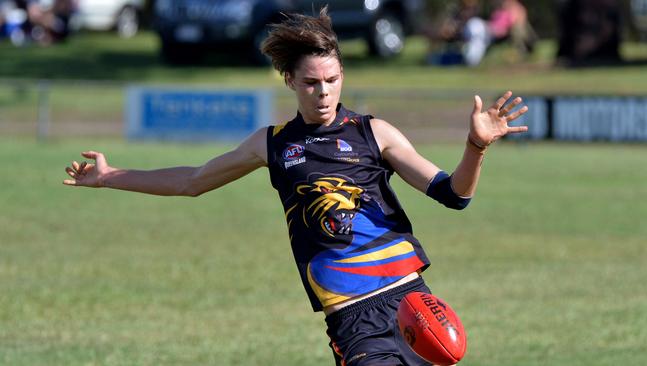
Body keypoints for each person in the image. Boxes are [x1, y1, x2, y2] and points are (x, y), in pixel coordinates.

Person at [63, 7, 528, 366]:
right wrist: (109, 177)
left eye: (331, 80)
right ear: (289, 80)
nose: (323, 92)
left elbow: (454, 195)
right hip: (352, 315)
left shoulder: (375, 133)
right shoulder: (273, 145)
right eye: (311, 83)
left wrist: (475, 145)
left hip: (414, 301)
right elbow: (191, 181)